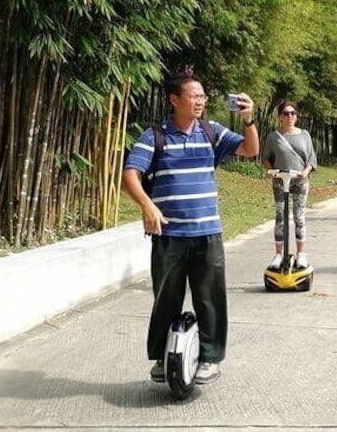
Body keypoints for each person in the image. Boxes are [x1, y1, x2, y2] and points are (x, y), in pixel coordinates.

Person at [122, 68, 259, 386]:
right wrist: (147, 204)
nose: (200, 101)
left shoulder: (212, 132)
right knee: (165, 298)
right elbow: (131, 173)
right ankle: (160, 358)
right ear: (174, 100)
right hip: (169, 235)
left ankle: (210, 358)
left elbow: (250, 151)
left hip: (207, 233)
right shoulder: (154, 135)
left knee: (210, 297)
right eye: (194, 96)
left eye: (203, 96)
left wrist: (249, 120)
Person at [261, 100, 318, 269]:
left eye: (293, 113)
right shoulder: (273, 137)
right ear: (280, 117)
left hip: (300, 181)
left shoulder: (305, 135)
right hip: (281, 181)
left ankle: (301, 254)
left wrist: (305, 172)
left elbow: (311, 159)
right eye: (286, 113)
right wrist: (271, 171)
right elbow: (265, 159)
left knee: (299, 216)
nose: (290, 116)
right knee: (280, 216)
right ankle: (278, 254)